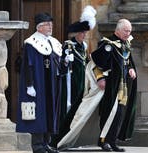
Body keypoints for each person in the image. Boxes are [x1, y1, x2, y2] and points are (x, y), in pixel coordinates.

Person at [50, 5, 96, 147]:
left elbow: (87, 63)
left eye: (85, 33)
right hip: (70, 84)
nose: (84, 35)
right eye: (82, 32)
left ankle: (70, 138)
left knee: (77, 112)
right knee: (66, 111)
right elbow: (60, 66)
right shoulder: (68, 46)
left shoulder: (84, 47)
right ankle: (57, 140)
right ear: (76, 33)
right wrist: (65, 61)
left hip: (82, 83)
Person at [16, 12, 62, 153]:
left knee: (49, 113)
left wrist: (65, 62)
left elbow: (55, 62)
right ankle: (37, 146)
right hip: (38, 84)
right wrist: (29, 85)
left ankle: (46, 143)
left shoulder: (52, 42)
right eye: (47, 24)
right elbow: (28, 65)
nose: (50, 27)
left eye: (51, 24)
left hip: (50, 84)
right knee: (39, 114)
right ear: (39, 27)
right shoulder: (31, 43)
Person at [91, 19, 137, 152]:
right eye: (125, 31)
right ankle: (103, 141)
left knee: (119, 114)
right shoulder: (107, 44)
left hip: (122, 85)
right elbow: (95, 62)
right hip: (110, 85)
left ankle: (112, 141)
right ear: (117, 30)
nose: (128, 33)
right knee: (108, 113)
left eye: (129, 31)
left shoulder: (125, 44)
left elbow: (127, 62)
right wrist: (100, 78)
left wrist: (131, 69)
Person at [56, 59, 105, 150]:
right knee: (79, 114)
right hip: (80, 86)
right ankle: (63, 139)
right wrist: (100, 77)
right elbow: (94, 64)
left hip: (85, 84)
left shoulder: (84, 48)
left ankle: (104, 140)